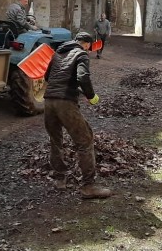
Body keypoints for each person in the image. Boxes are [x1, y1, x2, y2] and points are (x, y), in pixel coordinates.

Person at [43, 31, 111, 199]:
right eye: (89, 47)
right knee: (85, 140)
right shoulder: (81, 54)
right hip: (65, 102)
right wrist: (91, 96)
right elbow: (82, 76)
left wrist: (74, 87)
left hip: (49, 101)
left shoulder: (58, 53)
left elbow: (47, 77)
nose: (88, 50)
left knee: (56, 139)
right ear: (86, 44)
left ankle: (60, 179)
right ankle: (89, 186)